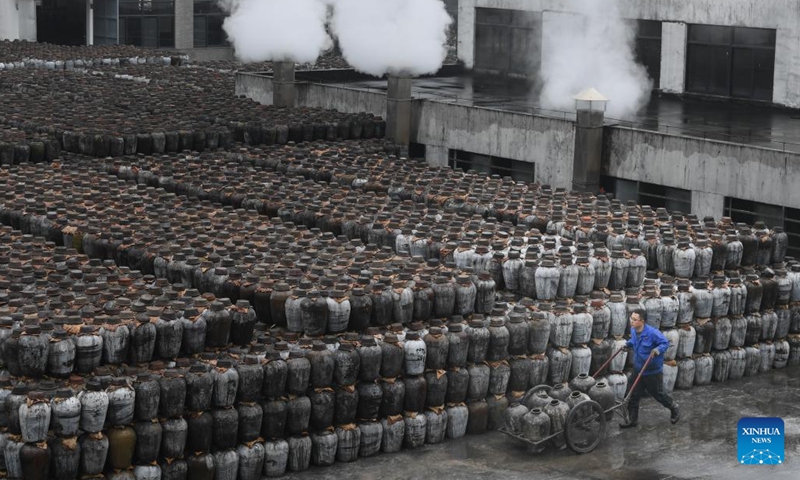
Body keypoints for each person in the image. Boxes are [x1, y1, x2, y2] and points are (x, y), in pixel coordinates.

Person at [619, 308, 680, 428]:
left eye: (634, 320)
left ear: (642, 321)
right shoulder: (633, 329)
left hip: (652, 371)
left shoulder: (653, 333)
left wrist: (657, 350)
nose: (631, 321)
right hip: (638, 368)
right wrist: (628, 345)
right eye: (631, 319)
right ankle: (633, 420)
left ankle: (674, 407)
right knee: (632, 394)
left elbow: (665, 343)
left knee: (659, 394)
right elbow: (634, 340)